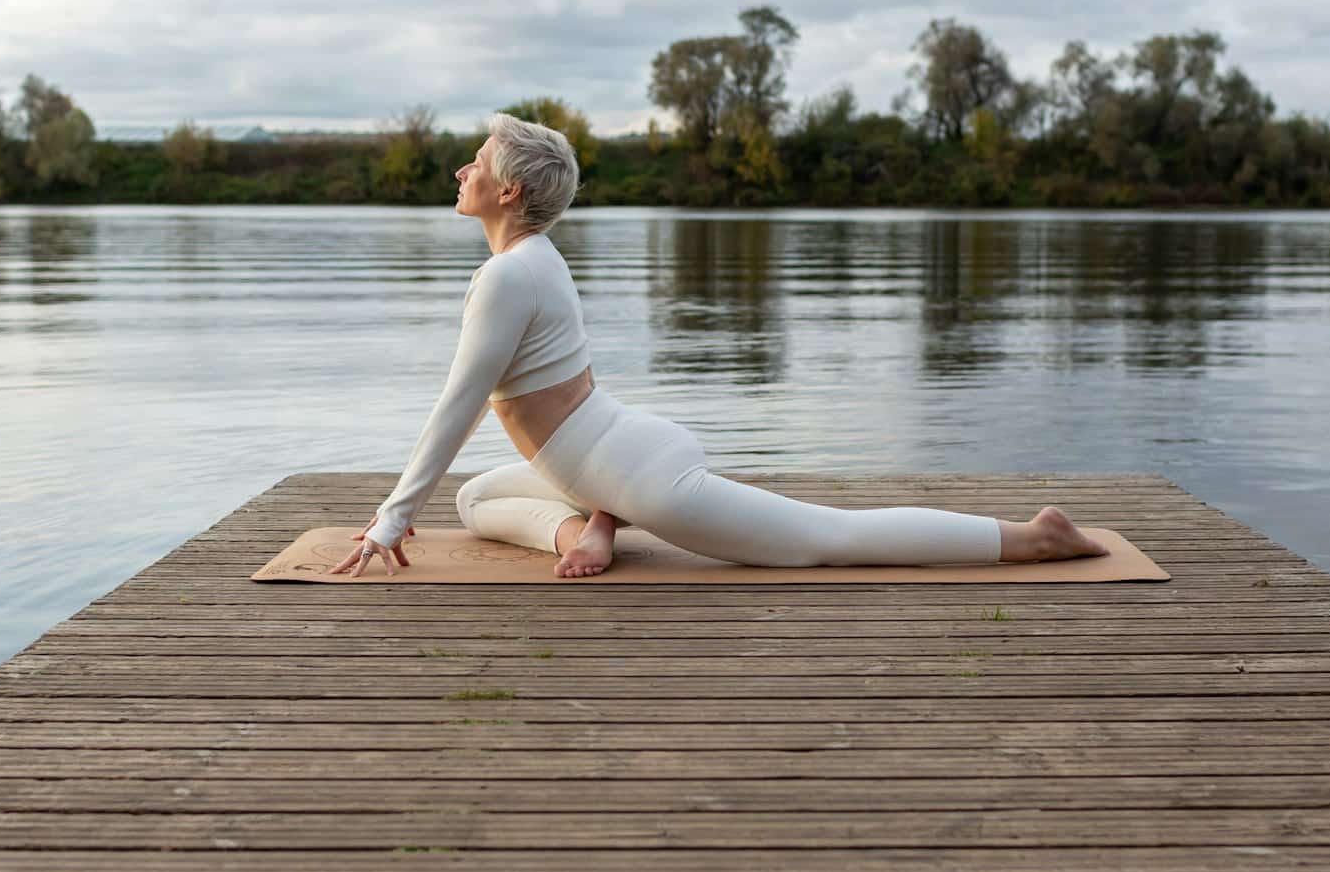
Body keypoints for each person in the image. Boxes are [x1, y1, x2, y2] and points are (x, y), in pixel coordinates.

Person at [335, 112, 1109, 580]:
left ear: (509, 192)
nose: (462, 168)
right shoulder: (531, 261)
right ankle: (588, 523)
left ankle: (1033, 537)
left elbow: (458, 407)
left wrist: (391, 520)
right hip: (607, 454)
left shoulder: (511, 275)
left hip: (646, 475)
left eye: (479, 161)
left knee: (827, 539)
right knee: (477, 500)